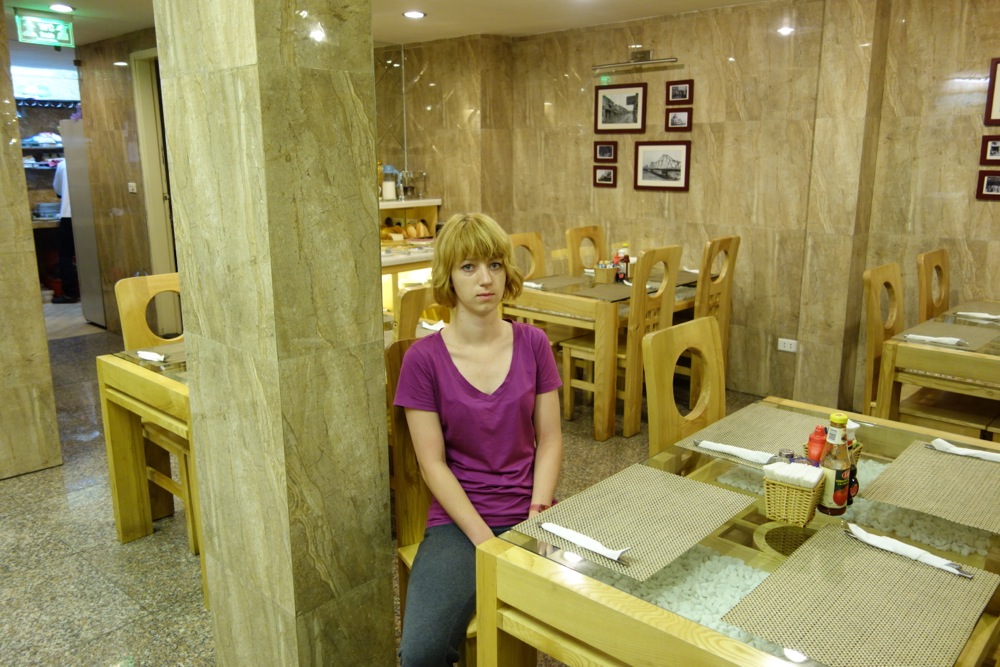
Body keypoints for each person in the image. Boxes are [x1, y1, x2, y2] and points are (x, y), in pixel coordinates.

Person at [394, 213, 563, 666]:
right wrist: (487, 543)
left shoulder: (534, 344)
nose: (485, 279)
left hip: (533, 511)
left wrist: (538, 513)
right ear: (448, 277)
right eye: (468, 267)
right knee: (420, 654)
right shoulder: (423, 360)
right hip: (459, 523)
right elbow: (432, 464)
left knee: (604, 620)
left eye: (494, 265)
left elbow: (550, 439)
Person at [51, 157, 80, 303]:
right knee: (90, 254)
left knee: (66, 256)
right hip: (91, 215)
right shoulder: (91, 161)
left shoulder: (63, 165)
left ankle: (70, 294)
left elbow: (57, 190)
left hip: (69, 215)